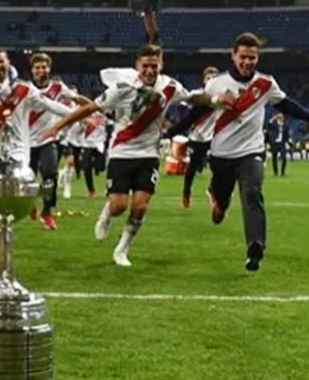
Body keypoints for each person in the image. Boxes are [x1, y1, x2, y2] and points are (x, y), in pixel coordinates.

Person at [43, 44, 231, 268]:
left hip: (149, 154)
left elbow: (192, 99)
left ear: (161, 65)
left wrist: (214, 100)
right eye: (146, 66)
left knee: (140, 206)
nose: (150, 71)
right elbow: (90, 108)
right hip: (122, 151)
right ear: (137, 66)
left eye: (154, 66)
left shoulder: (170, 86)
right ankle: (107, 212)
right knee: (120, 205)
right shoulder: (122, 88)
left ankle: (122, 249)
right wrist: (59, 126)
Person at [167, 32, 309, 271]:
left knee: (252, 192)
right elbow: (196, 114)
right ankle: (219, 200)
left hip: (251, 152)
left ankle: (256, 247)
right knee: (222, 201)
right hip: (221, 154)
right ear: (234, 56)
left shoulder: (266, 84)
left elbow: (286, 105)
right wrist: (170, 133)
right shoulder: (216, 84)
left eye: (252, 58)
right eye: (243, 57)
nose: (247, 62)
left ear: (258, 58)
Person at [27, 53, 89, 230]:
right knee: (27, 178)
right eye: (37, 67)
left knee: (50, 173)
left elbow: (77, 99)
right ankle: (29, 203)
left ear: (49, 68)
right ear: (32, 71)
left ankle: (47, 212)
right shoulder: (25, 89)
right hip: (26, 141)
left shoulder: (57, 86)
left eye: (44, 67)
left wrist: (93, 107)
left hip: (48, 139)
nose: (41, 70)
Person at [180, 66, 220, 208]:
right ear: (204, 80)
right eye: (208, 78)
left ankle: (213, 189)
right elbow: (183, 104)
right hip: (197, 136)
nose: (211, 81)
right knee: (192, 167)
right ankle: (186, 192)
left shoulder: (221, 97)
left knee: (219, 165)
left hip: (214, 137)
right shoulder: (196, 94)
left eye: (214, 78)